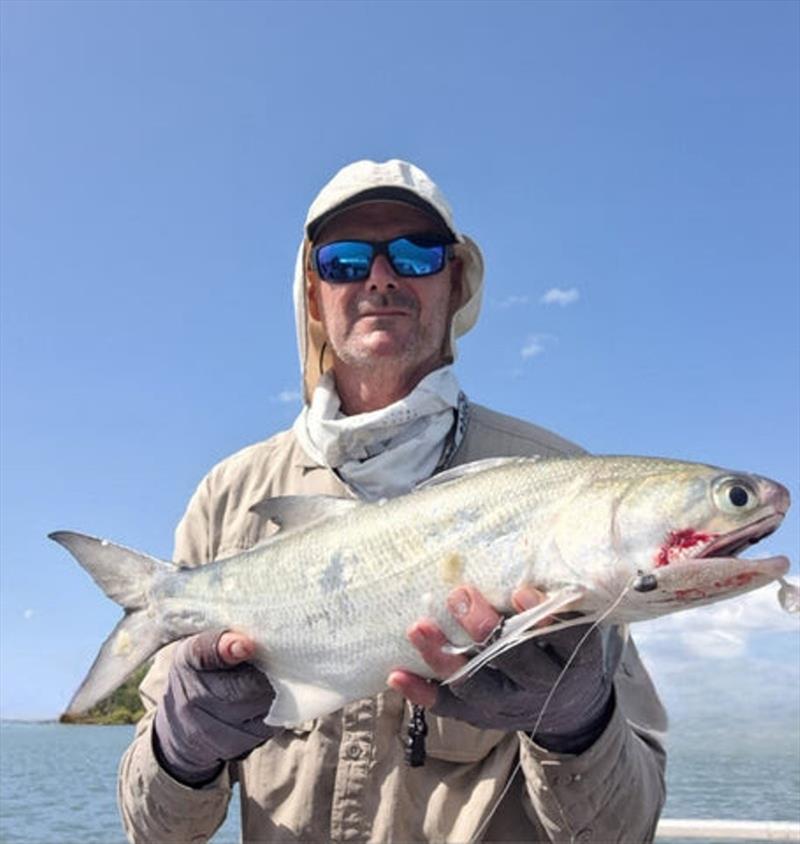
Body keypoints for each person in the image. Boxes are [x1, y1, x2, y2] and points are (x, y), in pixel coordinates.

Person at [118, 159, 667, 843]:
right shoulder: (229, 498)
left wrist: (578, 726)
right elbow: (154, 830)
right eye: (346, 260)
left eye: (415, 253)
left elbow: (627, 827)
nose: (381, 277)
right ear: (313, 293)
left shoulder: (561, 483)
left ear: (456, 280)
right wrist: (182, 751)